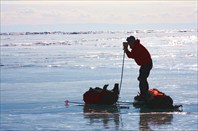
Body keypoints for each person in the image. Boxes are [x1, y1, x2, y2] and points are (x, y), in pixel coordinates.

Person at [123, 36, 153, 101]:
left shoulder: (137, 47)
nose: (130, 43)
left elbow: (131, 55)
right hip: (144, 64)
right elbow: (131, 55)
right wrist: (126, 50)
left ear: (133, 41)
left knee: (142, 79)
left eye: (131, 42)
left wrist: (126, 49)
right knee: (142, 78)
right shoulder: (136, 46)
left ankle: (144, 94)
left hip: (146, 64)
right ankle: (144, 94)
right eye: (129, 42)